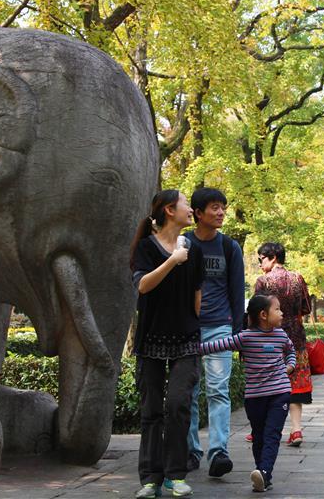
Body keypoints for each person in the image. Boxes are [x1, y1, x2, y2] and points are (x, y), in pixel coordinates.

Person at [130, 190, 205, 498]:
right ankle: (150, 478)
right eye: (187, 204)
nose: (192, 209)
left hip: (186, 341)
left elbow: (197, 299)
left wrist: (189, 324)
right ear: (170, 210)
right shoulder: (146, 248)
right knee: (151, 410)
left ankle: (175, 475)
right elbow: (143, 286)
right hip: (150, 340)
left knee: (177, 404)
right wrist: (173, 261)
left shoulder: (195, 250)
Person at [199, 295, 295, 493]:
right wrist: (192, 349)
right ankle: (262, 476)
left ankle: (264, 472)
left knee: (272, 435)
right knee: (258, 436)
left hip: (280, 393)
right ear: (263, 315)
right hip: (255, 397)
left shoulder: (281, 335)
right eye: (277, 309)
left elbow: (291, 350)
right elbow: (218, 345)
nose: (282, 313)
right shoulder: (245, 337)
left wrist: (290, 365)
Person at [184, 187, 245, 478]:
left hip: (219, 327)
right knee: (189, 391)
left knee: (218, 390)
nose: (221, 212)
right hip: (188, 329)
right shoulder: (182, 245)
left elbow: (236, 291)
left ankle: (219, 452)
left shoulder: (229, 247)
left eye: (223, 207)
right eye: (214, 207)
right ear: (197, 213)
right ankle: (190, 451)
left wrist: (237, 334)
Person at [254, 242, 312, 447]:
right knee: (295, 385)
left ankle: (260, 429)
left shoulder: (263, 282)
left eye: (261, 259)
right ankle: (296, 430)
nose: (260, 263)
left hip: (270, 339)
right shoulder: (298, 278)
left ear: (273, 258)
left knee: (267, 384)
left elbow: (256, 314)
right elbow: (306, 308)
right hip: (296, 337)